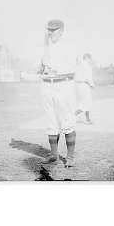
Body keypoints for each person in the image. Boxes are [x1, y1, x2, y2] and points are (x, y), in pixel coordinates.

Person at [39, 19, 77, 167]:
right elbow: (42, 67)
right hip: (47, 86)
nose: (49, 32)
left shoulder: (69, 46)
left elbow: (71, 69)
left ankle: (71, 157)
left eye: (53, 30)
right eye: (48, 29)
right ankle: (54, 154)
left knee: (67, 121)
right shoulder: (46, 47)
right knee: (51, 121)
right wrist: (42, 69)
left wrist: (55, 70)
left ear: (61, 31)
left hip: (63, 86)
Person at [75, 53, 95, 124]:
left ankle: (87, 119)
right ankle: (71, 116)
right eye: (90, 58)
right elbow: (89, 77)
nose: (90, 60)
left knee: (85, 103)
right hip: (85, 85)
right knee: (85, 104)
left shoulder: (78, 65)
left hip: (79, 86)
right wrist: (92, 85)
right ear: (87, 58)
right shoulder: (87, 66)